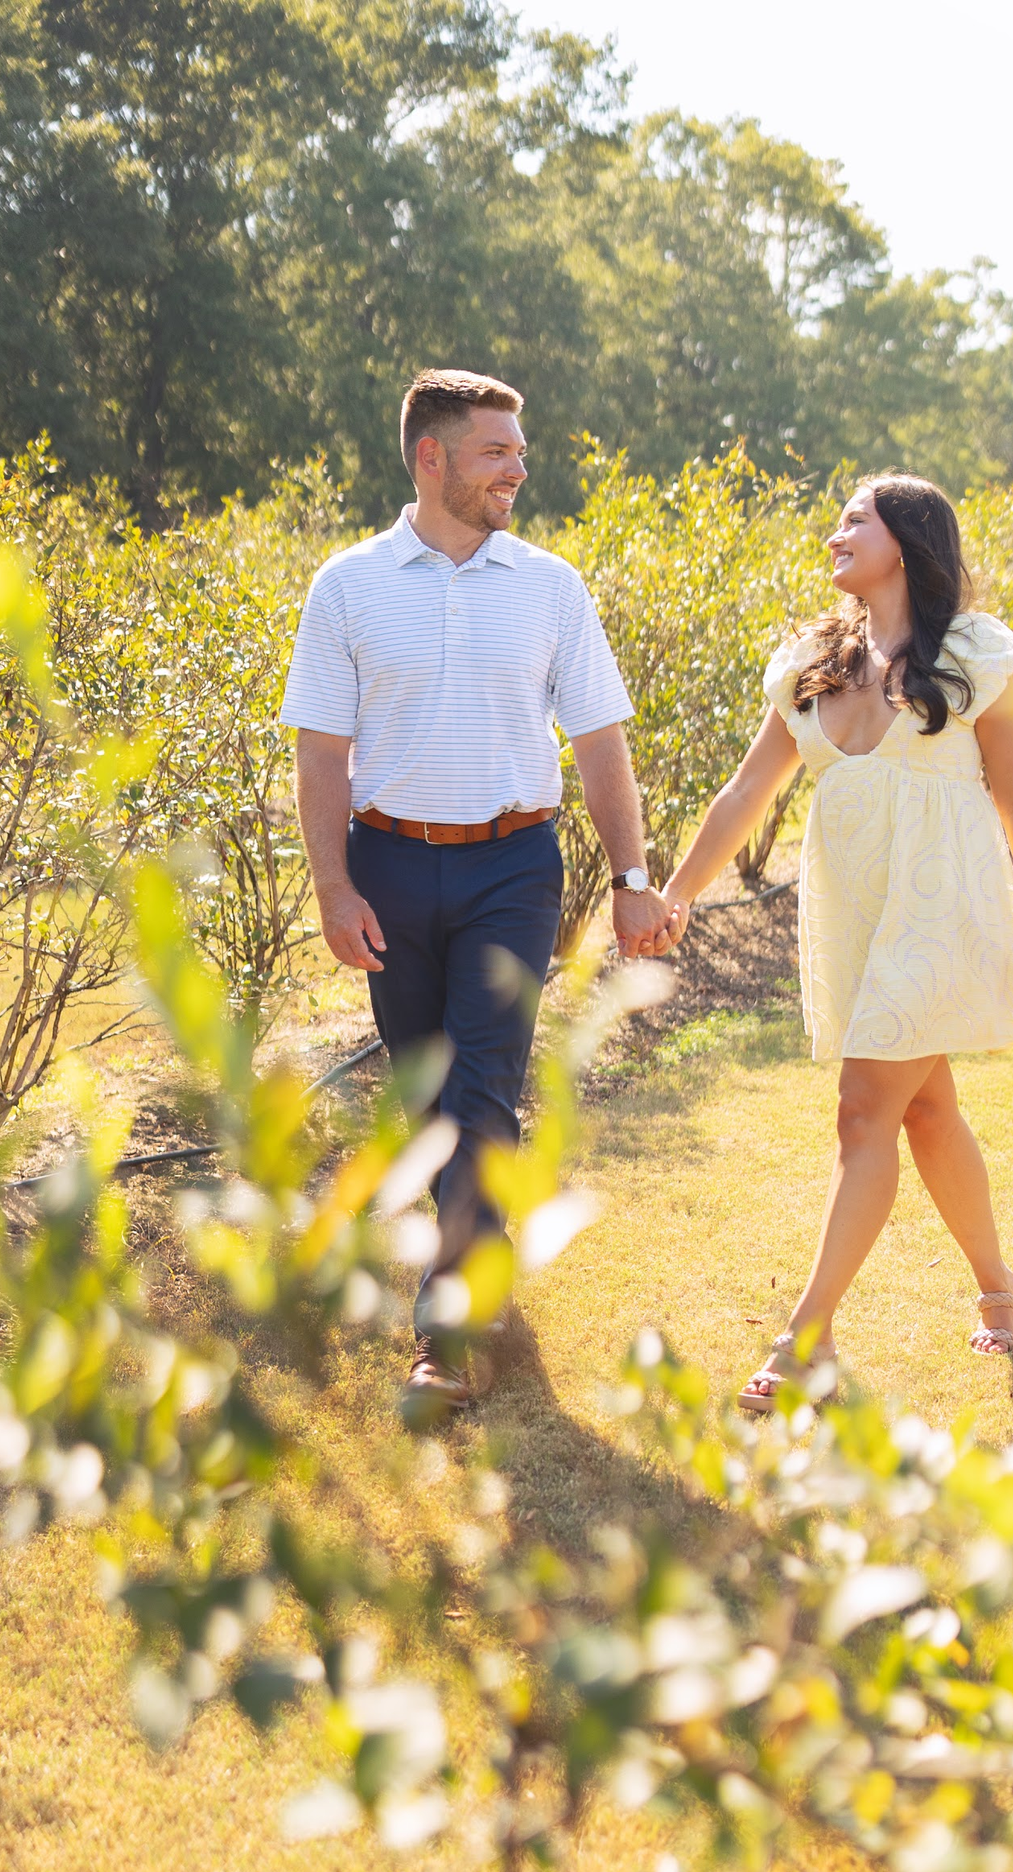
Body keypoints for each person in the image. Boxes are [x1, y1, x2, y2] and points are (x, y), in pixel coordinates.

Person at [282, 368, 677, 1415]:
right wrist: (332, 886)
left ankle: (444, 1334)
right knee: (429, 1096)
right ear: (432, 457)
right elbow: (322, 753)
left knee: (481, 1091)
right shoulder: (349, 585)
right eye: (497, 451)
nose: (518, 468)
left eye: (519, 451)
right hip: (390, 866)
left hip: (513, 866)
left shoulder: (550, 586)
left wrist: (633, 879)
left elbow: (600, 744)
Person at [659, 472, 1013, 1411]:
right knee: (926, 1113)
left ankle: (805, 1338)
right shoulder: (811, 661)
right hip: (857, 914)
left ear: (908, 539)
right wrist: (680, 893)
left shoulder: (980, 656)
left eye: (856, 519)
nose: (835, 532)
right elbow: (745, 795)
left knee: (864, 1112)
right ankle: (1000, 1288)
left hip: (942, 911)